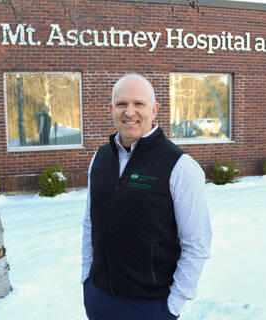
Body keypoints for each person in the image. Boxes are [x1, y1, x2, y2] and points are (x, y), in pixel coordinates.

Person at [81, 73, 212, 319]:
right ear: (111, 109)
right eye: (122, 104)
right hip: (99, 298)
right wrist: (87, 280)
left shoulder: (180, 166)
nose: (130, 112)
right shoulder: (99, 159)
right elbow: (90, 223)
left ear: (154, 109)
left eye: (138, 104)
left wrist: (171, 307)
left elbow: (197, 244)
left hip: (151, 306)